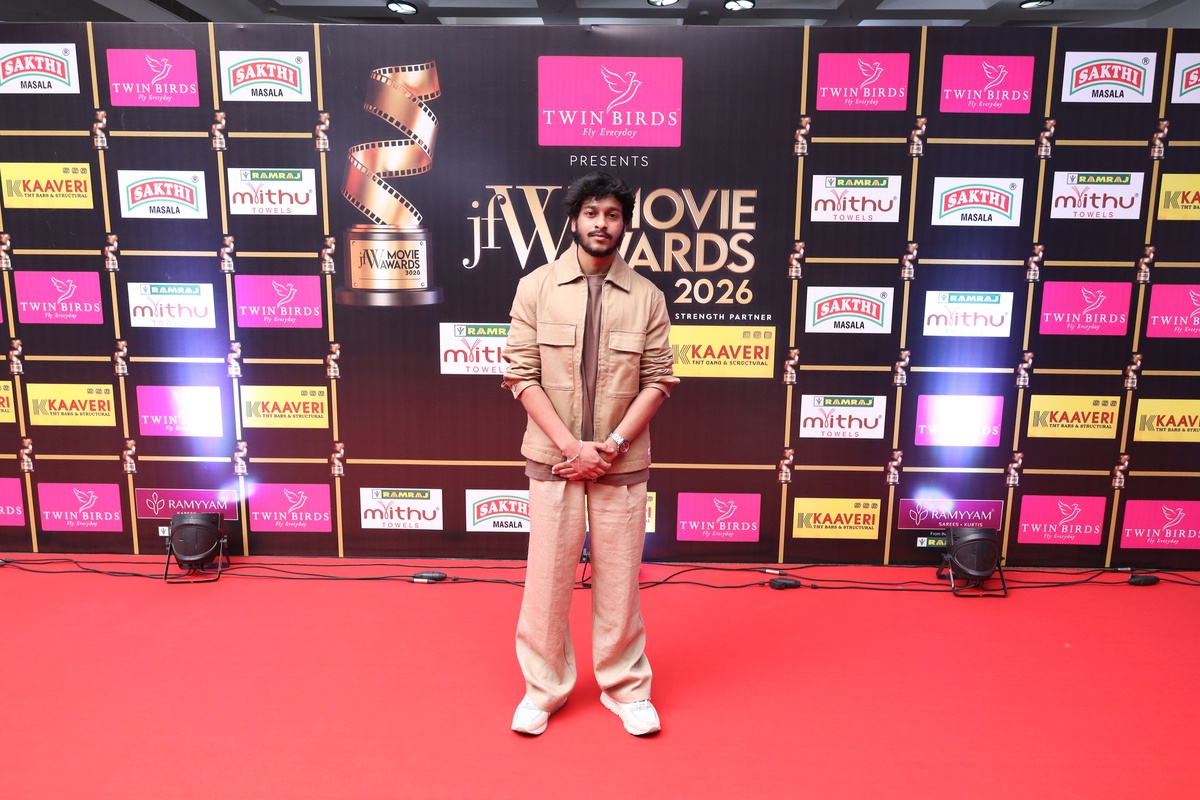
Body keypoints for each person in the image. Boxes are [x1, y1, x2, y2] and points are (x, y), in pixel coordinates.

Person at [501, 172, 679, 736]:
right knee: (547, 579)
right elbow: (520, 375)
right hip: (554, 458)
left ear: (624, 225)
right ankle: (543, 689)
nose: (602, 224)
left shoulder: (647, 296)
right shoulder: (535, 287)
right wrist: (571, 447)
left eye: (613, 215)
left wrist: (612, 446)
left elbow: (658, 381)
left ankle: (625, 688)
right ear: (575, 220)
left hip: (620, 463)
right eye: (592, 213)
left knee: (620, 580)